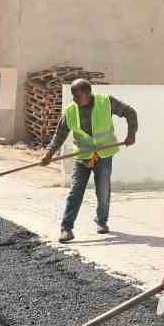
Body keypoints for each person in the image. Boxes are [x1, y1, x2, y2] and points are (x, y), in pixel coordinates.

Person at [42, 79, 137, 244]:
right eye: (73, 96)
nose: (74, 99)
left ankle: (101, 221)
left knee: (103, 190)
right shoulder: (70, 110)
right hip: (83, 157)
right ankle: (66, 228)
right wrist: (49, 154)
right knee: (75, 192)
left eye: (77, 96)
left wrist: (131, 134)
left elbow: (130, 112)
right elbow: (60, 135)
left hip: (104, 154)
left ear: (87, 94)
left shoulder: (106, 102)